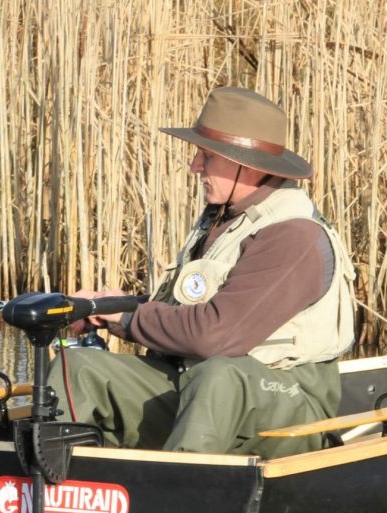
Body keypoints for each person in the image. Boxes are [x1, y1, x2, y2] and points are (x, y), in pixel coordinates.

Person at [48, 86, 356, 459]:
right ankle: (45, 477)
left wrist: (127, 318)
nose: (195, 166)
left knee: (219, 376)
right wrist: (107, 307)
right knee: (79, 367)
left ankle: (179, 489)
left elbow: (214, 336)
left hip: (290, 404)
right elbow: (186, 314)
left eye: (206, 157)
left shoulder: (293, 236)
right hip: (198, 386)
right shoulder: (224, 219)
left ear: (248, 165)